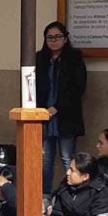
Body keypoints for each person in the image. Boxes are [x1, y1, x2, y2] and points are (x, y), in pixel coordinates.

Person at [35, 21, 88, 195]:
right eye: (49, 37)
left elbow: (78, 88)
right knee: (45, 160)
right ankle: (44, 196)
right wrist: (42, 109)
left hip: (66, 116)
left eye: (57, 37)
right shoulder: (40, 58)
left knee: (67, 159)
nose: (53, 41)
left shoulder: (74, 58)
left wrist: (57, 108)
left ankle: (72, 195)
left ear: (65, 38)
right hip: (44, 116)